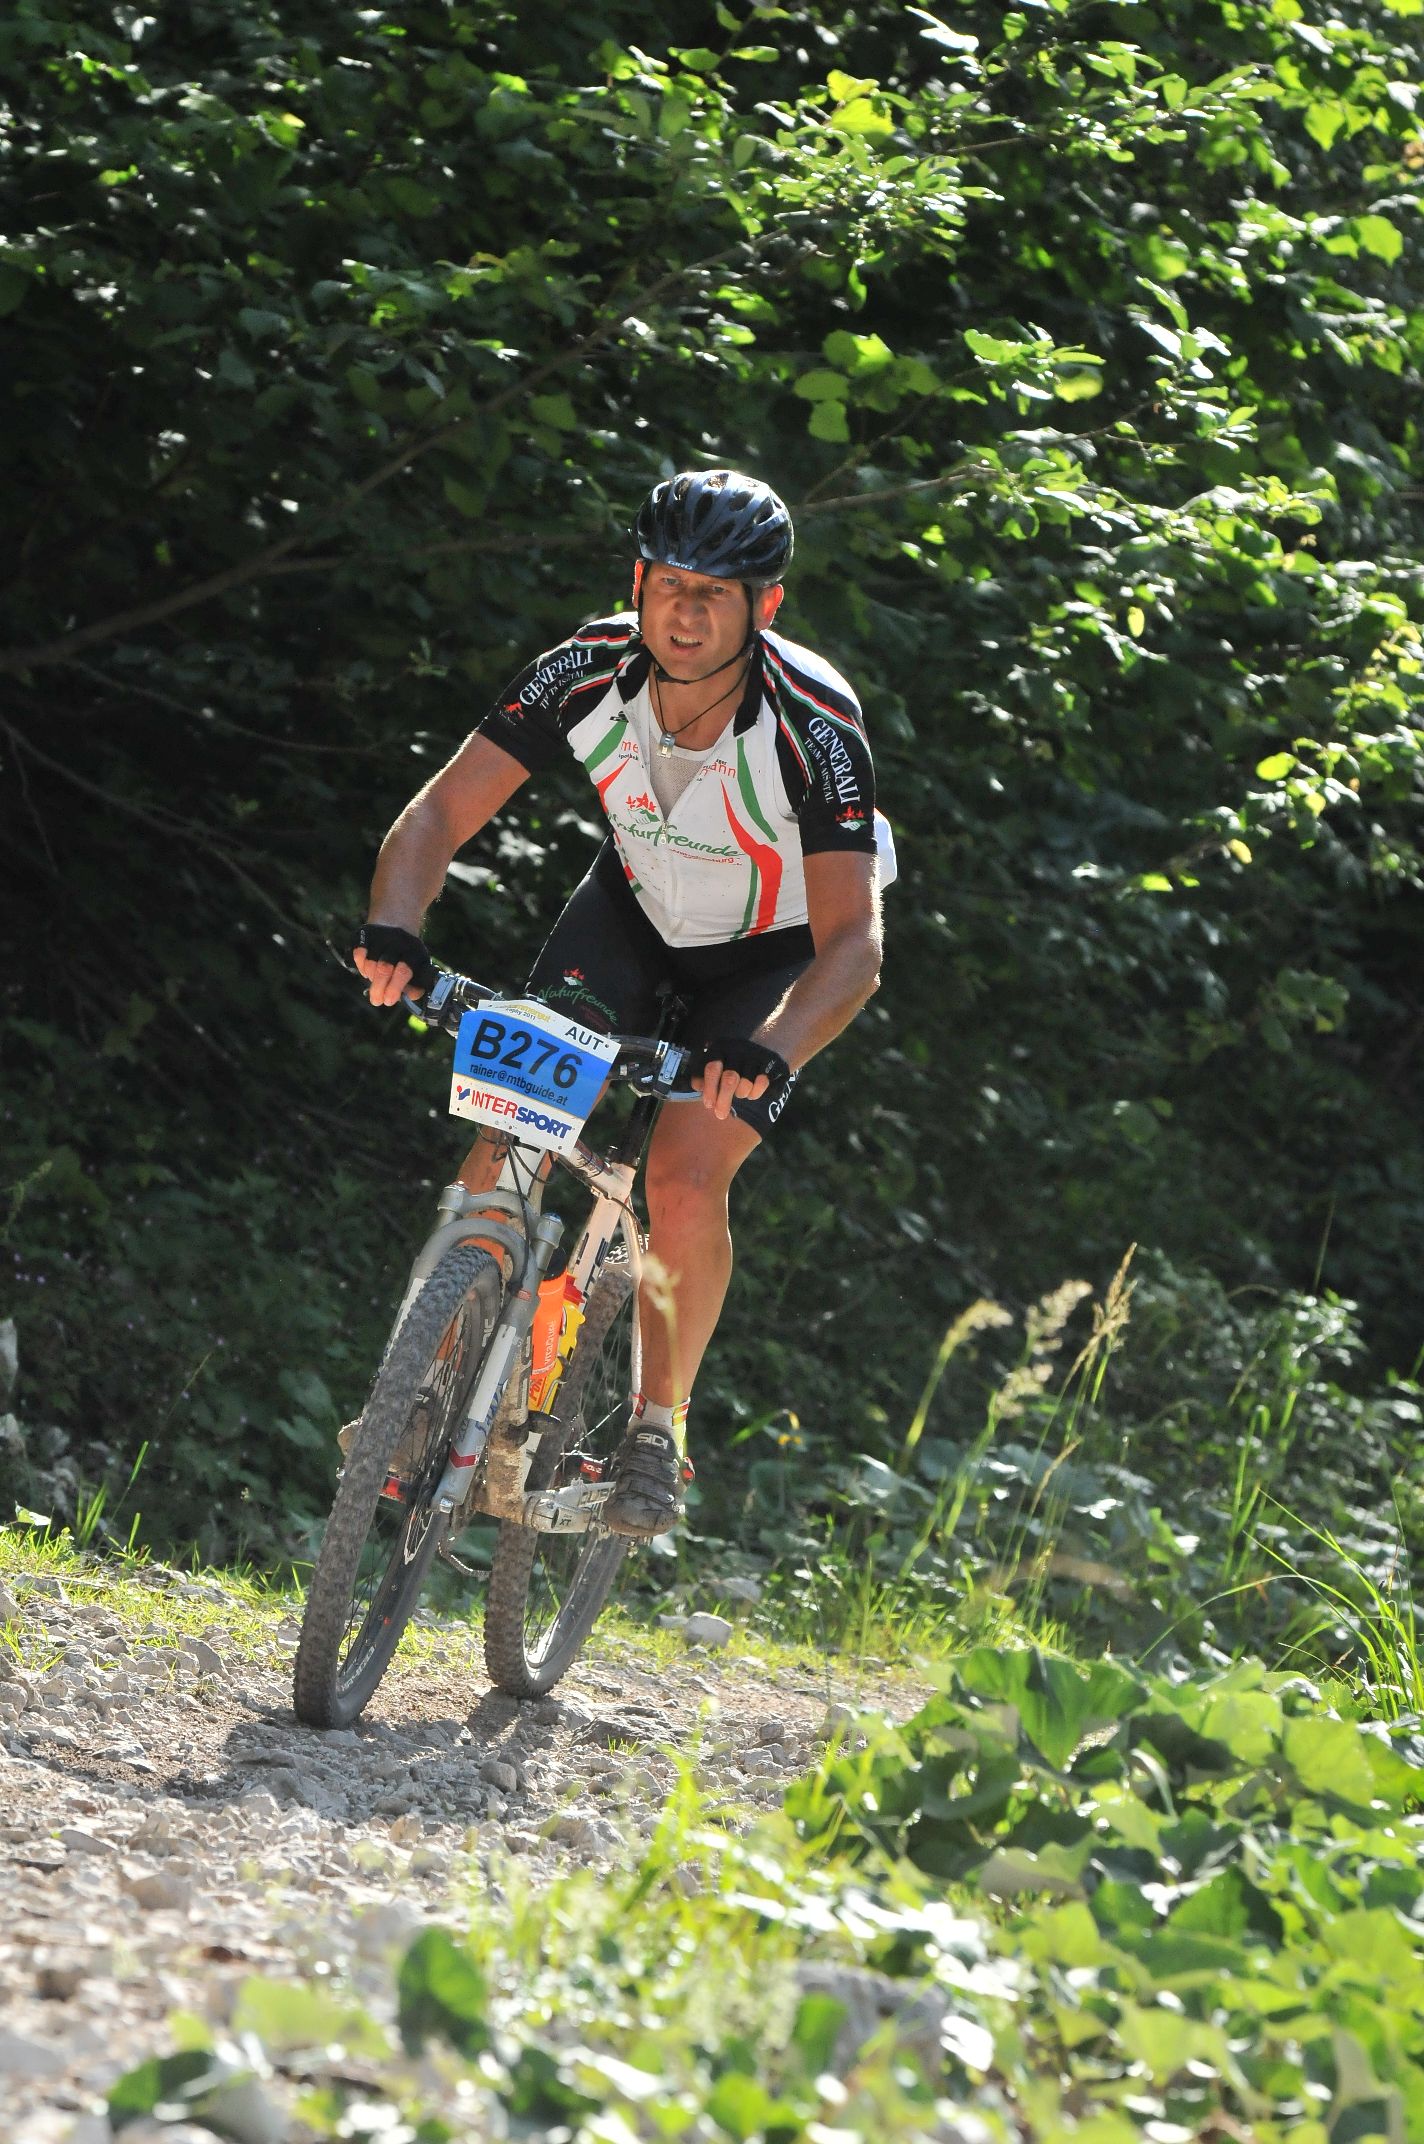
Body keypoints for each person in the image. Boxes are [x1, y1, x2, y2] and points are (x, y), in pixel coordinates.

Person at [352, 469, 887, 1538]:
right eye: (670, 584)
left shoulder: (814, 726)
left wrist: (771, 1048)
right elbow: (439, 812)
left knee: (683, 1179)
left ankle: (653, 1428)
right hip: (634, 914)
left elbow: (854, 947)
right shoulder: (582, 668)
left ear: (766, 606)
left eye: (716, 593)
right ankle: (423, 1384)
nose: (686, 613)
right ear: (637, 582)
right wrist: (396, 928)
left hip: (772, 952)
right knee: (515, 1118)